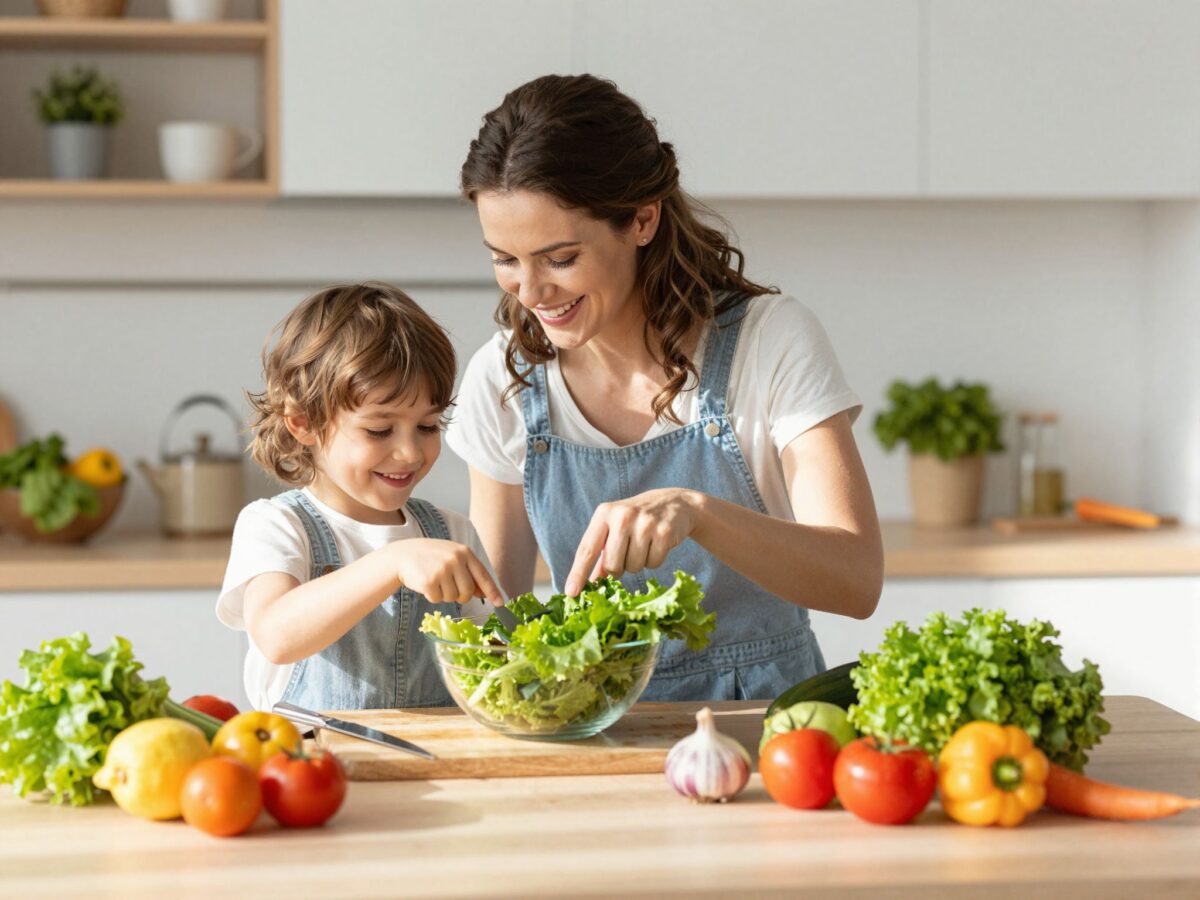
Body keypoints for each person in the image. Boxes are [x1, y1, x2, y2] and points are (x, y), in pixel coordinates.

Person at [447, 74, 883, 702]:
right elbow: (497, 618)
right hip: (595, 733)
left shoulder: (769, 341)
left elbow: (856, 579)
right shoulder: (505, 377)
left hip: (767, 730)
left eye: (560, 258)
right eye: (505, 259)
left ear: (642, 219)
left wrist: (697, 512)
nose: (530, 291)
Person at [217, 283, 503, 712]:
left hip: (435, 765)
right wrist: (392, 563)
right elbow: (276, 636)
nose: (409, 452)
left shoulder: (452, 533)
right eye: (379, 430)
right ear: (303, 422)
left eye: (427, 426)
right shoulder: (277, 526)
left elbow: (493, 659)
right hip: (312, 769)